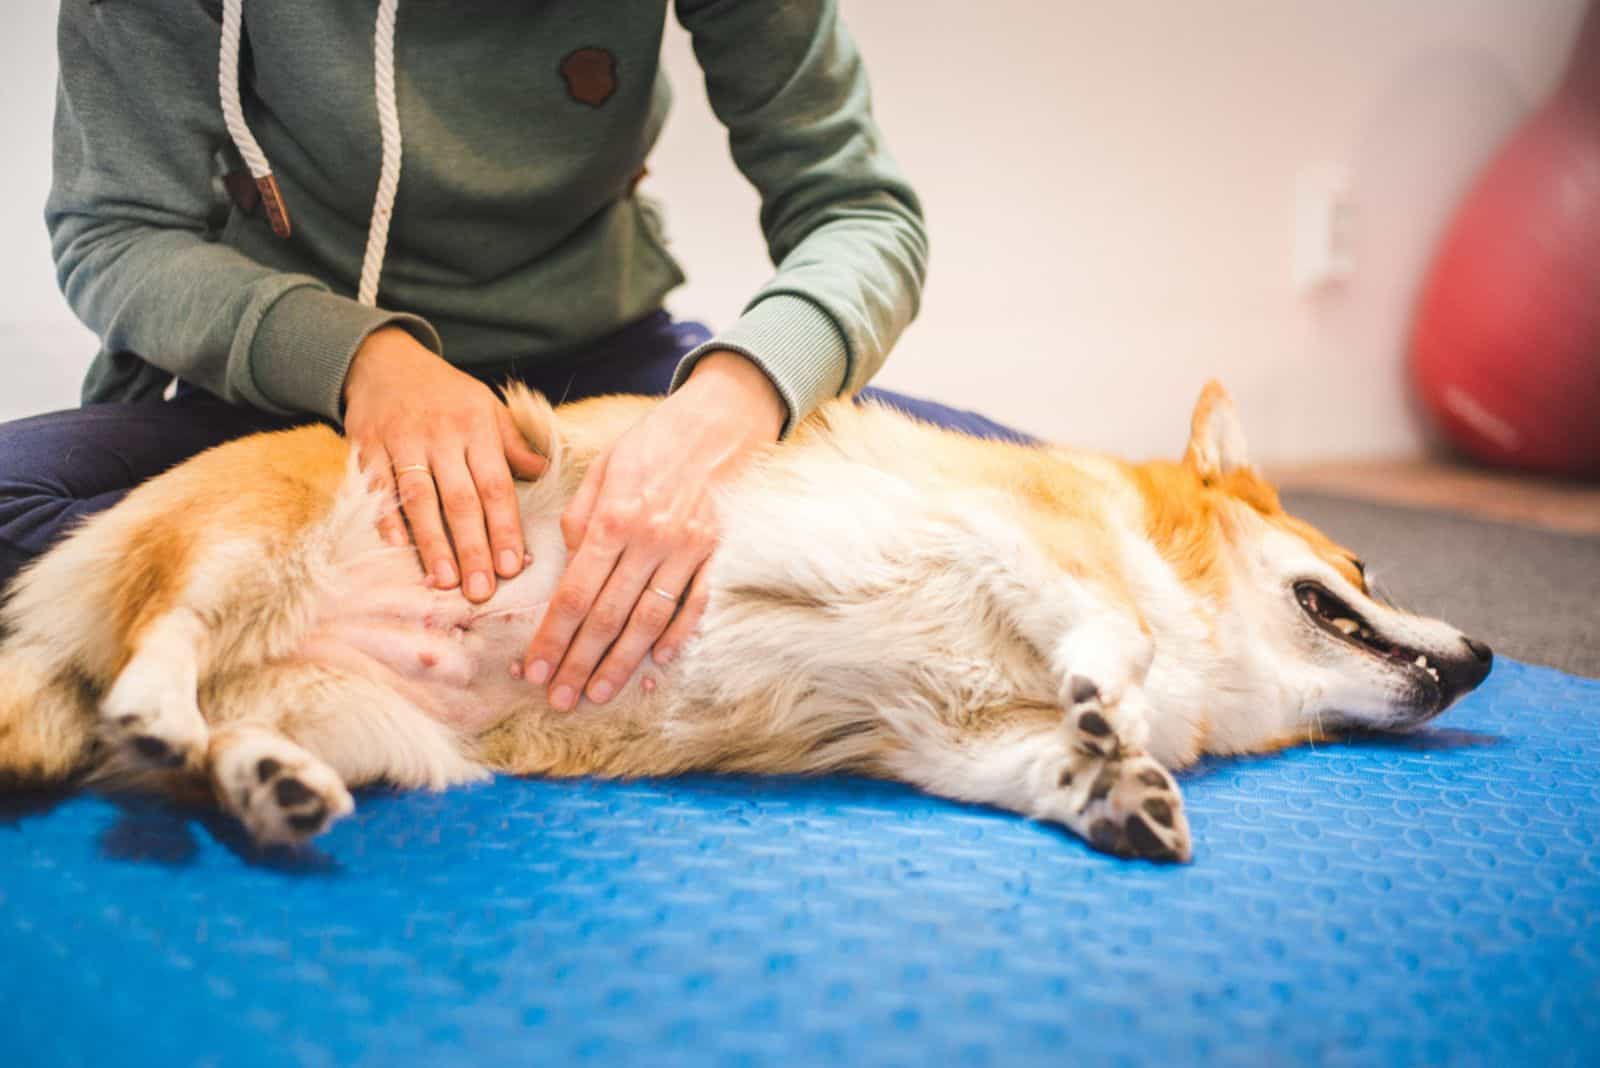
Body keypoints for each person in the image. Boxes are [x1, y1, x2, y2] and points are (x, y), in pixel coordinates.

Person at [0, 1, 1025, 712]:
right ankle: (285, 636)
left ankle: (314, 648)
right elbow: (115, 232)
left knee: (1021, 491)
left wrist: (727, 406)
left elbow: (859, 211)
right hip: (279, 400)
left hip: (599, 377)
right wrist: (365, 362)